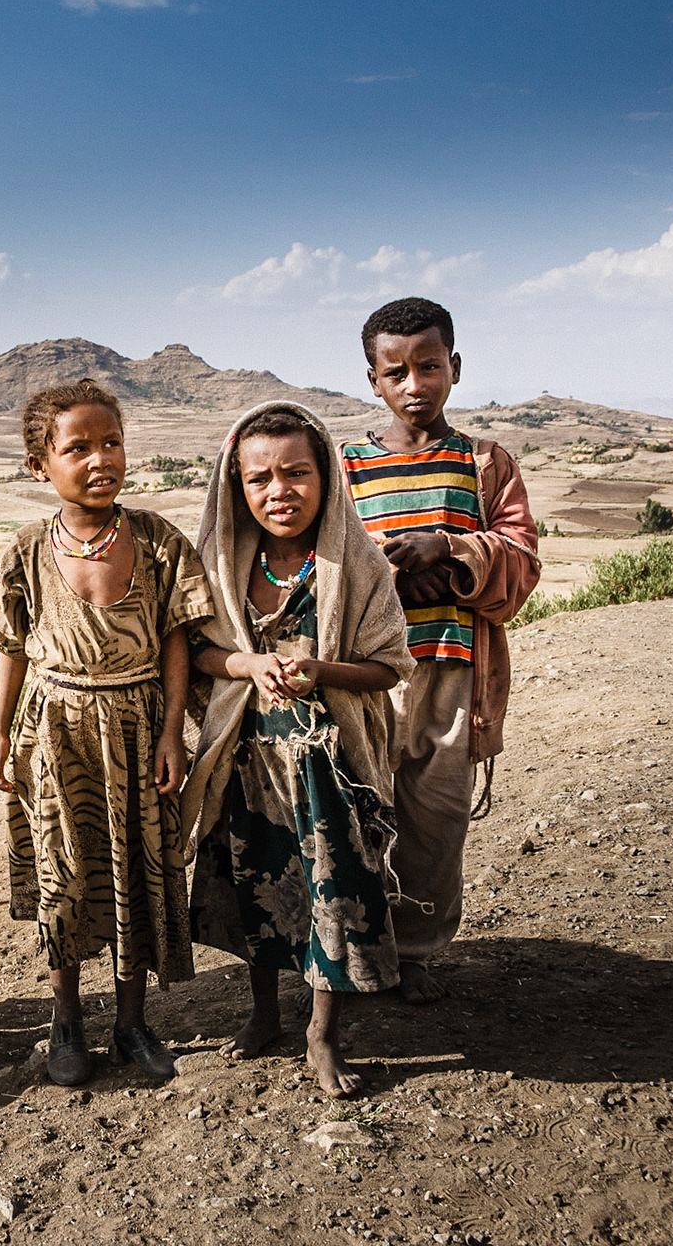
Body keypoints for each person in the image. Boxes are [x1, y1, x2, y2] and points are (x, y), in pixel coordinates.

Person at [0, 380, 214, 1086]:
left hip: (138, 729)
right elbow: (10, 648)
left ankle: (133, 1023)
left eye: (112, 443)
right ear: (40, 464)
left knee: (139, 871)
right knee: (65, 876)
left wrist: (173, 731)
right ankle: (66, 1020)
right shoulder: (24, 551)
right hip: (56, 735)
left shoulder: (159, 541)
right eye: (78, 447)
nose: (100, 458)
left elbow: (175, 639)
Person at [182, 403, 414, 1097]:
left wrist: (320, 672)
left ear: (327, 477)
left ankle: (321, 1034)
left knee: (331, 896)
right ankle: (262, 1015)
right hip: (248, 763)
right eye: (260, 479)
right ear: (236, 487)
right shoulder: (221, 566)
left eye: (296, 473)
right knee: (258, 888)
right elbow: (194, 648)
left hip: (328, 771)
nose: (278, 491)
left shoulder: (358, 565)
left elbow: (389, 666)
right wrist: (248, 666)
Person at [342, 297, 541, 1004]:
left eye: (429, 366)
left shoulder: (485, 464)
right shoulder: (348, 468)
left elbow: (520, 561)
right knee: (358, 812)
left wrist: (451, 550)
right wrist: (382, 565)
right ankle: (355, 950)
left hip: (453, 671)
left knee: (434, 817)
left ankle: (417, 950)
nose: (414, 384)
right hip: (364, 678)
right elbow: (320, 561)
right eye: (396, 371)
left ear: (454, 367)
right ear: (373, 380)